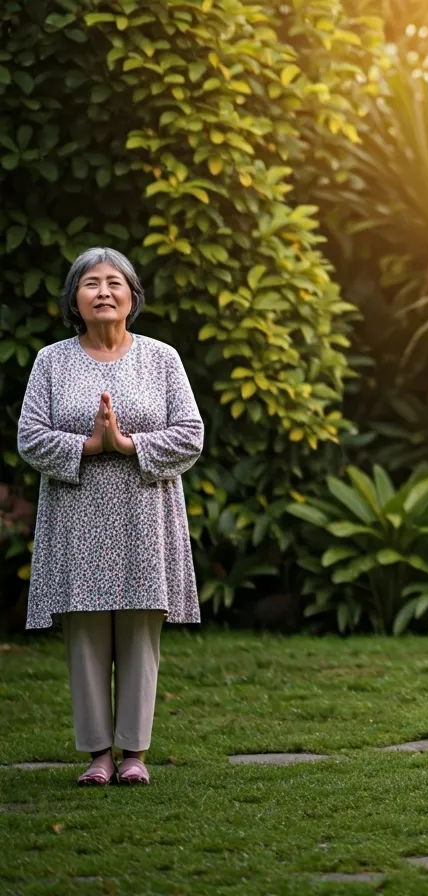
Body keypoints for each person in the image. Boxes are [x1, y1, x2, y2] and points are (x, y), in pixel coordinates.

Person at [17, 247, 204, 786]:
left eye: (114, 282)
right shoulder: (52, 361)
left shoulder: (161, 358)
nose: (103, 291)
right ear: (75, 299)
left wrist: (127, 444)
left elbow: (190, 435)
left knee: (141, 632)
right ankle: (99, 754)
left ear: (132, 296)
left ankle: (135, 754)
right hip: (77, 515)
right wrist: (90, 447)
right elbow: (30, 438)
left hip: (145, 514)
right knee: (87, 635)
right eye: (91, 283)